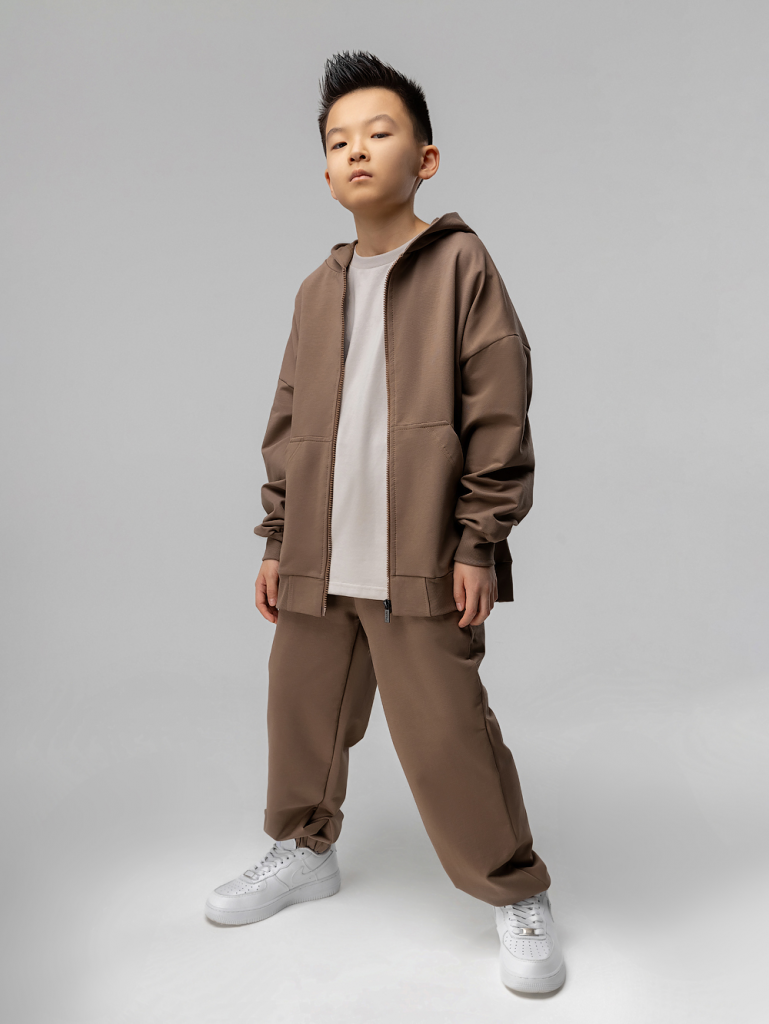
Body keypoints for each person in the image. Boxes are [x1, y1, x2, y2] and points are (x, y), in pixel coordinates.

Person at [205, 50, 565, 996]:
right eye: (338, 141)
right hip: (319, 556)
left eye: (379, 131)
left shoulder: (460, 265)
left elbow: (498, 408)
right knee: (299, 713)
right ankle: (302, 849)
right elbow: (288, 422)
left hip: (420, 557)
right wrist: (278, 540)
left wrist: (479, 540)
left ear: (425, 158)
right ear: (326, 172)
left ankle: (513, 890)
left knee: (447, 734)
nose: (357, 150)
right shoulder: (316, 289)